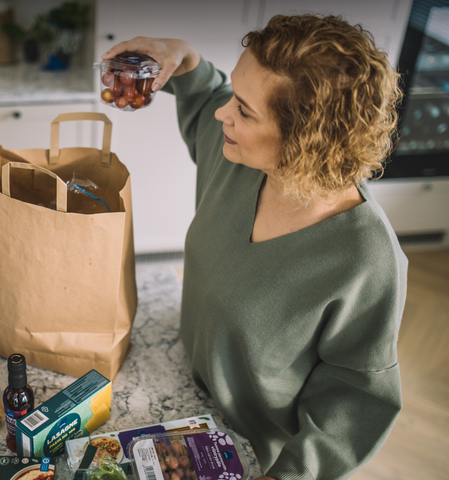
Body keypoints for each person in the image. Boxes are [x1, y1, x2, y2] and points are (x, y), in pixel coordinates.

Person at [103, 14, 407, 480]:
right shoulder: (242, 160)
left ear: (306, 141)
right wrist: (181, 54)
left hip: (246, 451)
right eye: (234, 97)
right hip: (180, 386)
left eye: (244, 110)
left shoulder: (365, 259)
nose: (226, 113)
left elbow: (355, 401)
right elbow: (207, 98)